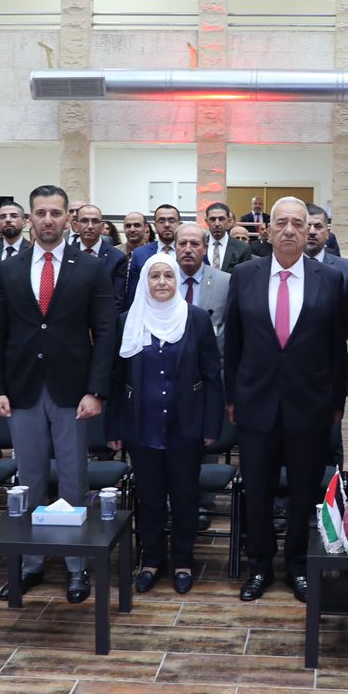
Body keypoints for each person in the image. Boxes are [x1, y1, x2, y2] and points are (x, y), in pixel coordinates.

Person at [0, 185, 118, 603]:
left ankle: (77, 566)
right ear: (29, 218)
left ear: (68, 219)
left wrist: (96, 390)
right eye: (40, 212)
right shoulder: (9, 268)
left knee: (73, 479)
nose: (48, 220)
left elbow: (106, 331)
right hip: (22, 388)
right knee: (28, 479)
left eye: (56, 213)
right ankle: (30, 564)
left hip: (72, 390)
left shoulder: (90, 267)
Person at [224, 196, 348, 602]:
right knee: (258, 491)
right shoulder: (244, 274)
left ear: (310, 229)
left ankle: (297, 565)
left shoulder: (330, 278)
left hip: (309, 404)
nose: (291, 230)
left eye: (299, 223)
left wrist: (336, 401)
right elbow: (233, 342)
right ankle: (259, 566)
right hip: (255, 402)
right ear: (267, 229)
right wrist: (231, 396)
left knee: (302, 492)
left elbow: (338, 346)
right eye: (282, 223)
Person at [109, 253, 224, 595]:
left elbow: (212, 376)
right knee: (150, 498)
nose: (161, 282)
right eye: (155, 276)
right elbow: (116, 379)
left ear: (177, 281)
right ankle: (151, 560)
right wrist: (114, 427)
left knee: (186, 496)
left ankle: (184, 561)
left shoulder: (196, 318)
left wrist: (211, 426)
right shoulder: (128, 319)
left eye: (168, 276)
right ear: (145, 281)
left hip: (185, 425)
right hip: (141, 426)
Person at [174, 223, 228, 353]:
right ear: (175, 247)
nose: (188, 249)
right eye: (182, 244)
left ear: (205, 248)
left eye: (194, 244)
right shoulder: (163, 281)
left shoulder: (226, 282)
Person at [305, 203, 348, 309]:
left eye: (318, 226)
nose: (312, 232)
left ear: (327, 233)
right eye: (307, 226)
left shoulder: (345, 269)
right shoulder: (288, 265)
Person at [72, 203, 125, 282]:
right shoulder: (66, 254)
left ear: (102, 227)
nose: (90, 226)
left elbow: (117, 290)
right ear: (76, 226)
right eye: (84, 221)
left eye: (95, 221)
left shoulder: (117, 257)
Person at [205, 201, 253, 273]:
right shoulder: (199, 246)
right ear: (206, 221)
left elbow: (246, 276)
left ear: (229, 221)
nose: (217, 223)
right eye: (212, 219)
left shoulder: (242, 248)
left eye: (221, 219)